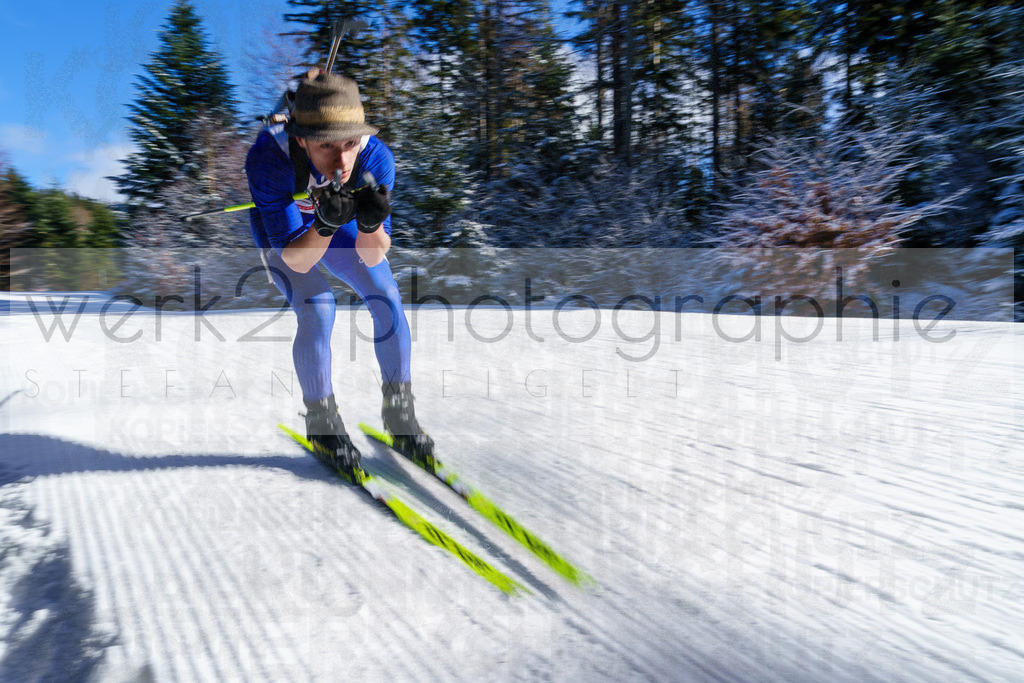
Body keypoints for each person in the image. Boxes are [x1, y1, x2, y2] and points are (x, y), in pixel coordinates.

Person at [245, 71, 434, 480]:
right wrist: (325, 226)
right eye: (326, 145)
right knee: (318, 307)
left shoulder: (375, 158)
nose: (341, 160)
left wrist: (369, 226)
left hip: (338, 219)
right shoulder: (267, 158)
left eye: (350, 143)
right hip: (293, 232)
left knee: (386, 294)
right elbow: (296, 259)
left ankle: (400, 415)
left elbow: (374, 254)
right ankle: (323, 424)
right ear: (300, 139)